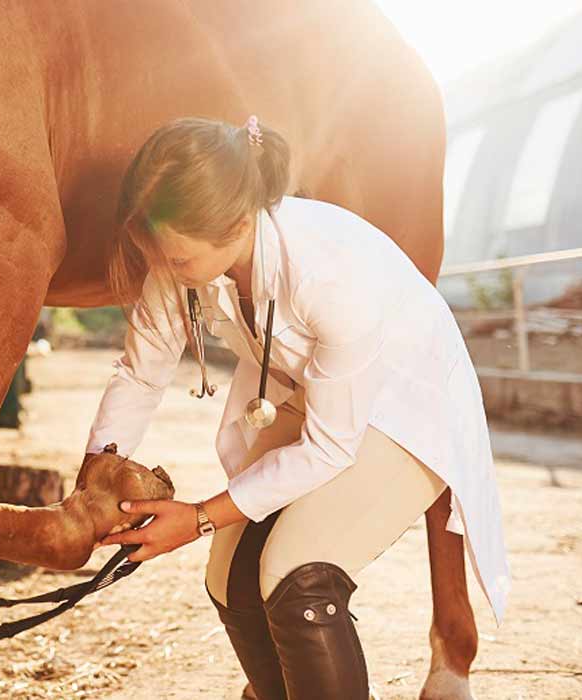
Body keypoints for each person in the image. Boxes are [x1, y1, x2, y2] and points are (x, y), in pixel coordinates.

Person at [85, 116, 509, 699]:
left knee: (296, 573)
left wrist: (200, 516)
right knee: (229, 578)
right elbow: (141, 370)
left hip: (404, 408)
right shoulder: (178, 254)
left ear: (235, 223)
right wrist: (96, 475)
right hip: (313, 393)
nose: (163, 268)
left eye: (177, 260)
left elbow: (331, 445)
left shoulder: (329, 275)